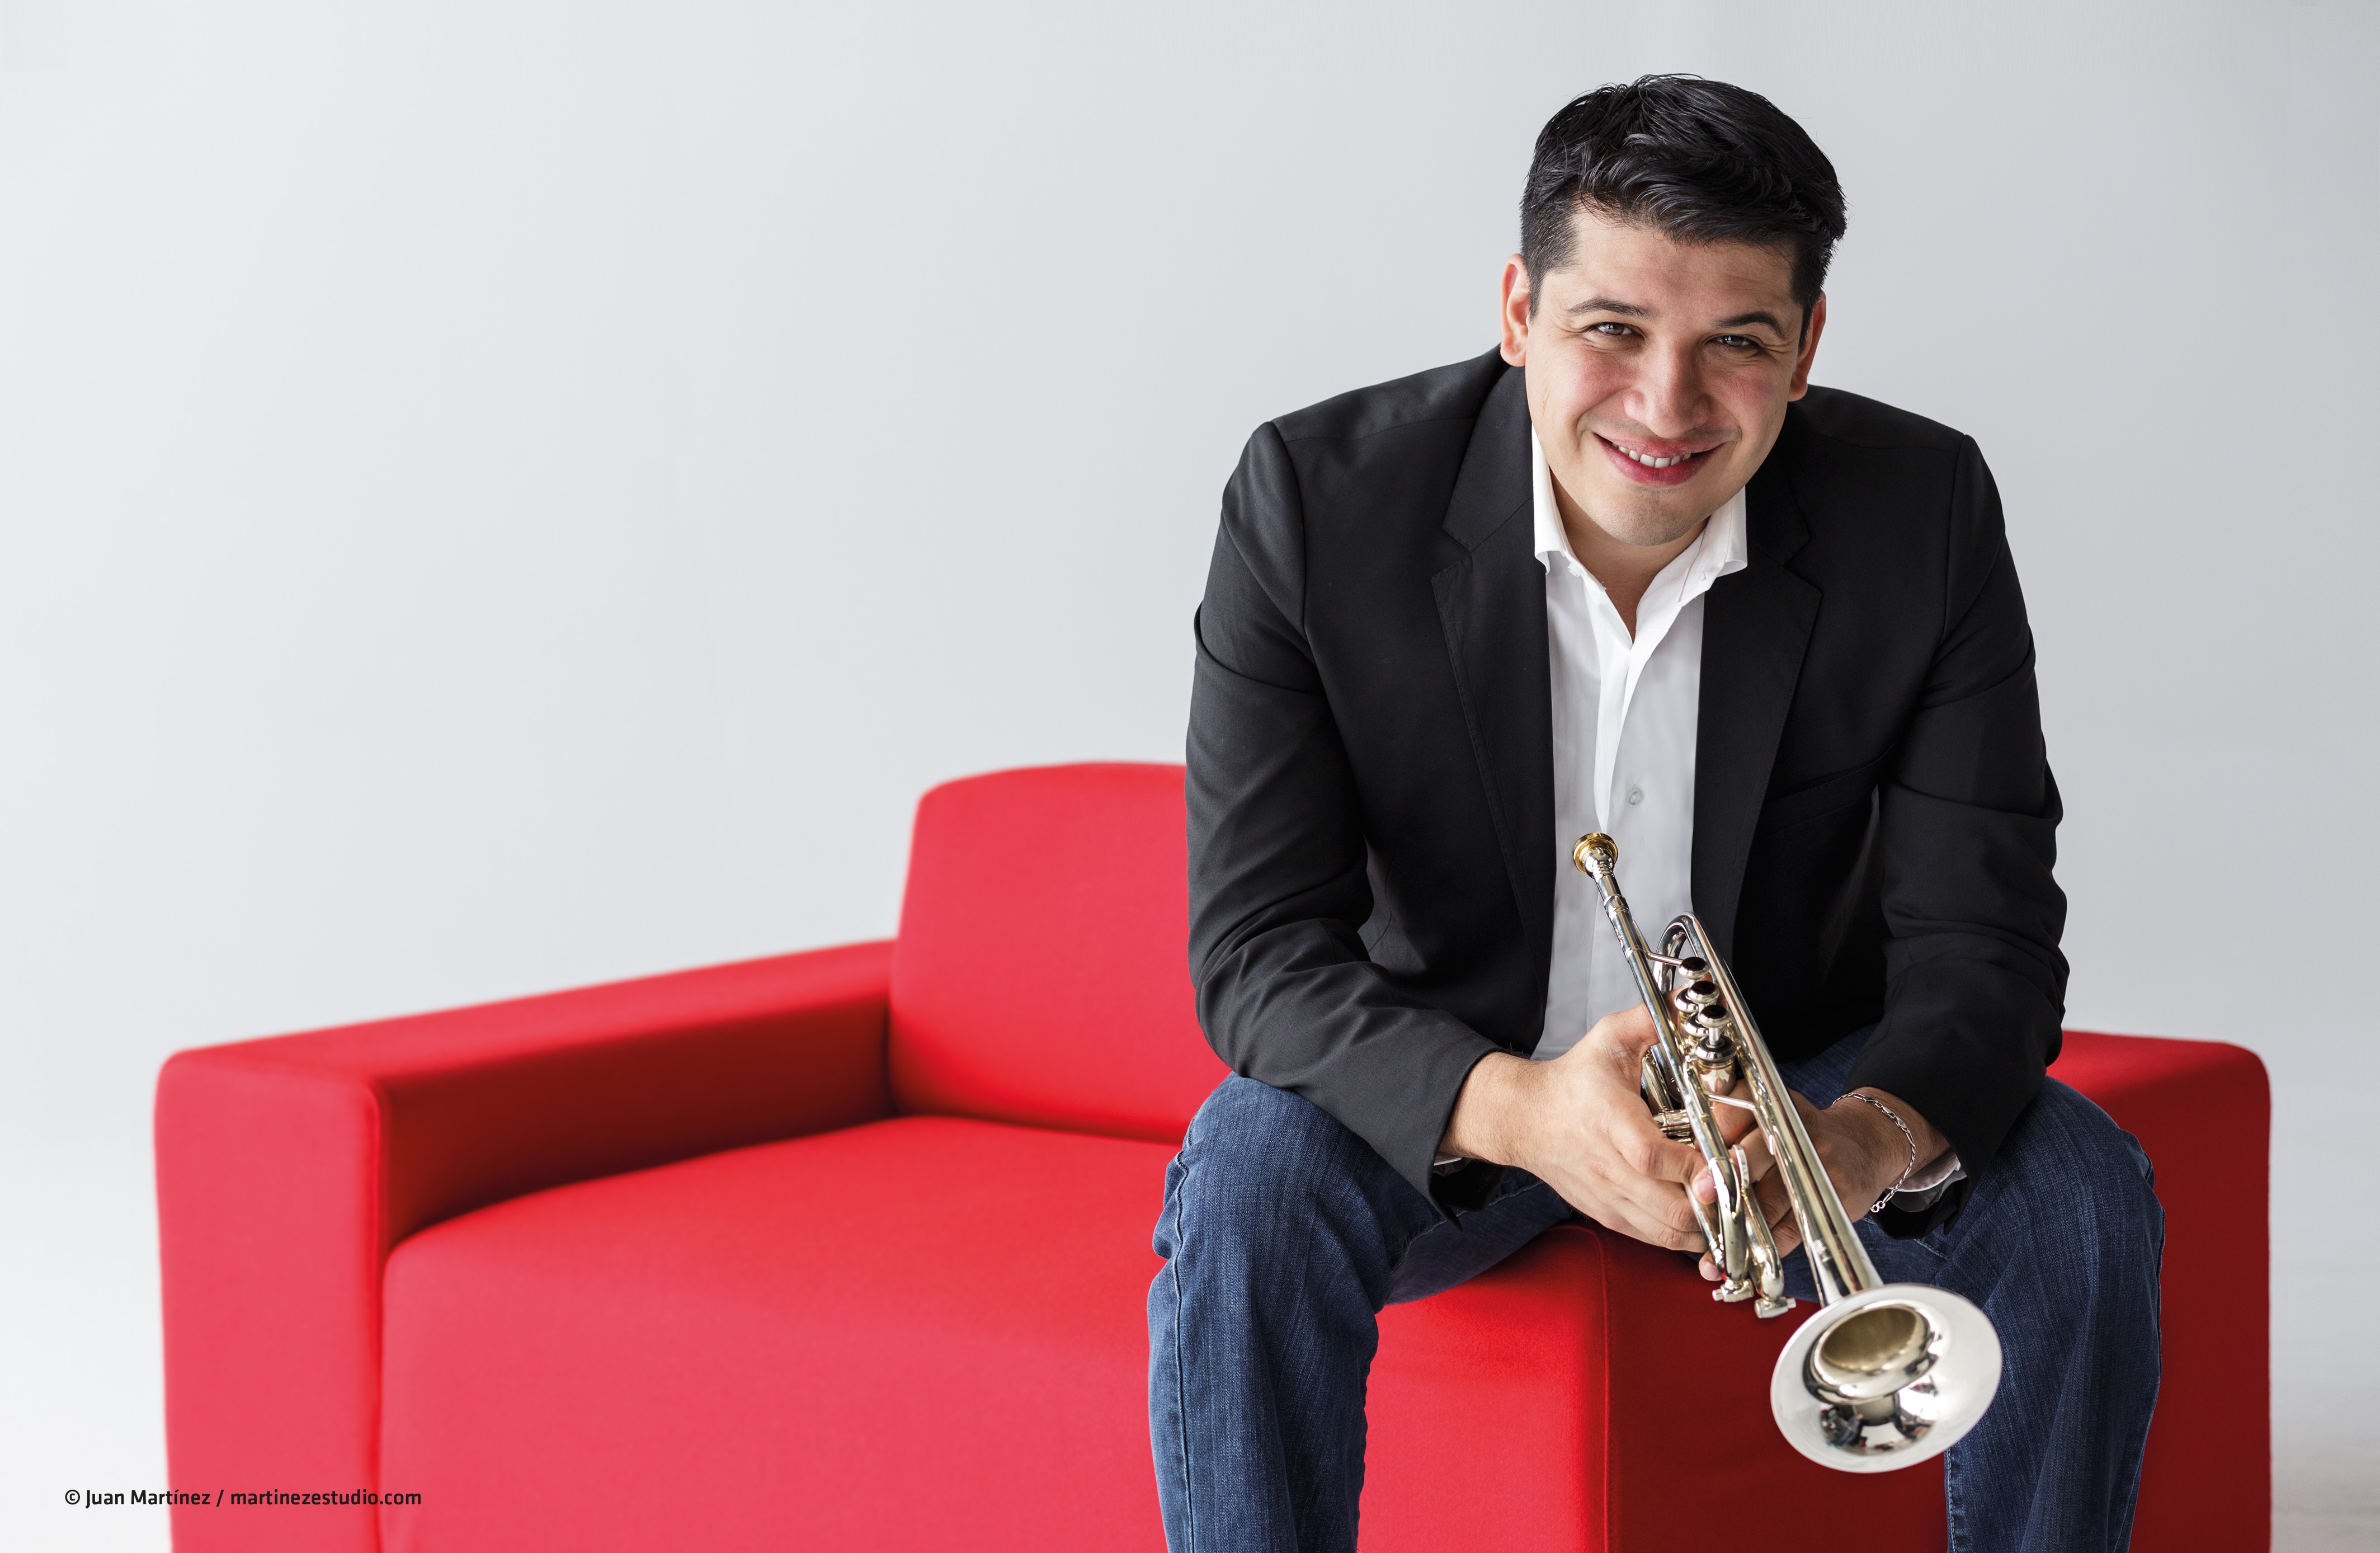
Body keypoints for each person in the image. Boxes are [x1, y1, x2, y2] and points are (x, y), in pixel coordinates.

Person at [1148, 75, 2163, 1553]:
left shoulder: (1921, 508)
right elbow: (1255, 950)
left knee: (2080, 1189)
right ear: (1519, 311)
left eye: (1736, 343)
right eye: (1612, 329)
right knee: (1249, 1175)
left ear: (1806, 347)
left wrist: (1858, 1140)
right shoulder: (1317, 499)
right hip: (1468, 1069)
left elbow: (1986, 938)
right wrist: (1521, 1110)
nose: (1666, 406)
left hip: (1793, 1083)